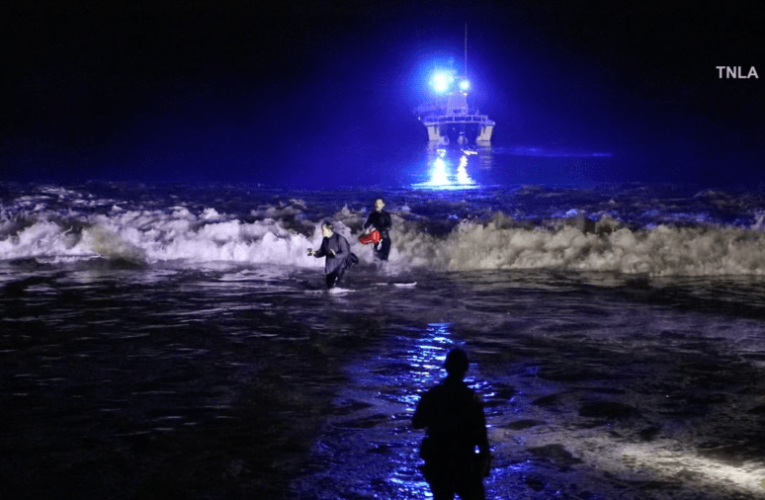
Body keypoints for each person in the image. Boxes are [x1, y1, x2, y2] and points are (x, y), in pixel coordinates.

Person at [413, 349, 491, 500]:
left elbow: (417, 423)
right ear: (465, 369)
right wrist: (484, 464)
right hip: (464, 463)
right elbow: (481, 438)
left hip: (438, 462)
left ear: (446, 367)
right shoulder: (471, 399)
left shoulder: (433, 395)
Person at [308, 221, 351, 289]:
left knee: (332, 288)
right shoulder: (325, 239)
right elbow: (322, 252)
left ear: (329, 229)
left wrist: (335, 255)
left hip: (339, 267)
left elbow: (346, 253)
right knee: (329, 288)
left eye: (323, 230)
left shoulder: (339, 239)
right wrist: (313, 253)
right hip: (329, 269)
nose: (322, 232)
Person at [363, 198, 392, 262]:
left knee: (384, 260)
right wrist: (367, 228)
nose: (377, 204)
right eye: (376, 203)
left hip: (385, 240)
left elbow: (389, 227)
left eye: (379, 203)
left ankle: (385, 271)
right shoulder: (372, 215)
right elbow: (366, 225)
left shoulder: (386, 215)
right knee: (376, 259)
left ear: (383, 205)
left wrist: (377, 229)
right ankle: (375, 272)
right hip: (376, 240)